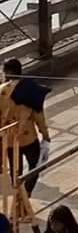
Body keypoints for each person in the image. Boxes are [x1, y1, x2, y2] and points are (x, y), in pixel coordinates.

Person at [0, 59, 50, 196]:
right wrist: (45, 134)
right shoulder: (31, 89)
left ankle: (18, 195)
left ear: (8, 73)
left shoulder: (1, 92)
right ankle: (27, 192)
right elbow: (39, 116)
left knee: (16, 171)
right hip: (28, 138)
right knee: (35, 167)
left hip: (9, 140)